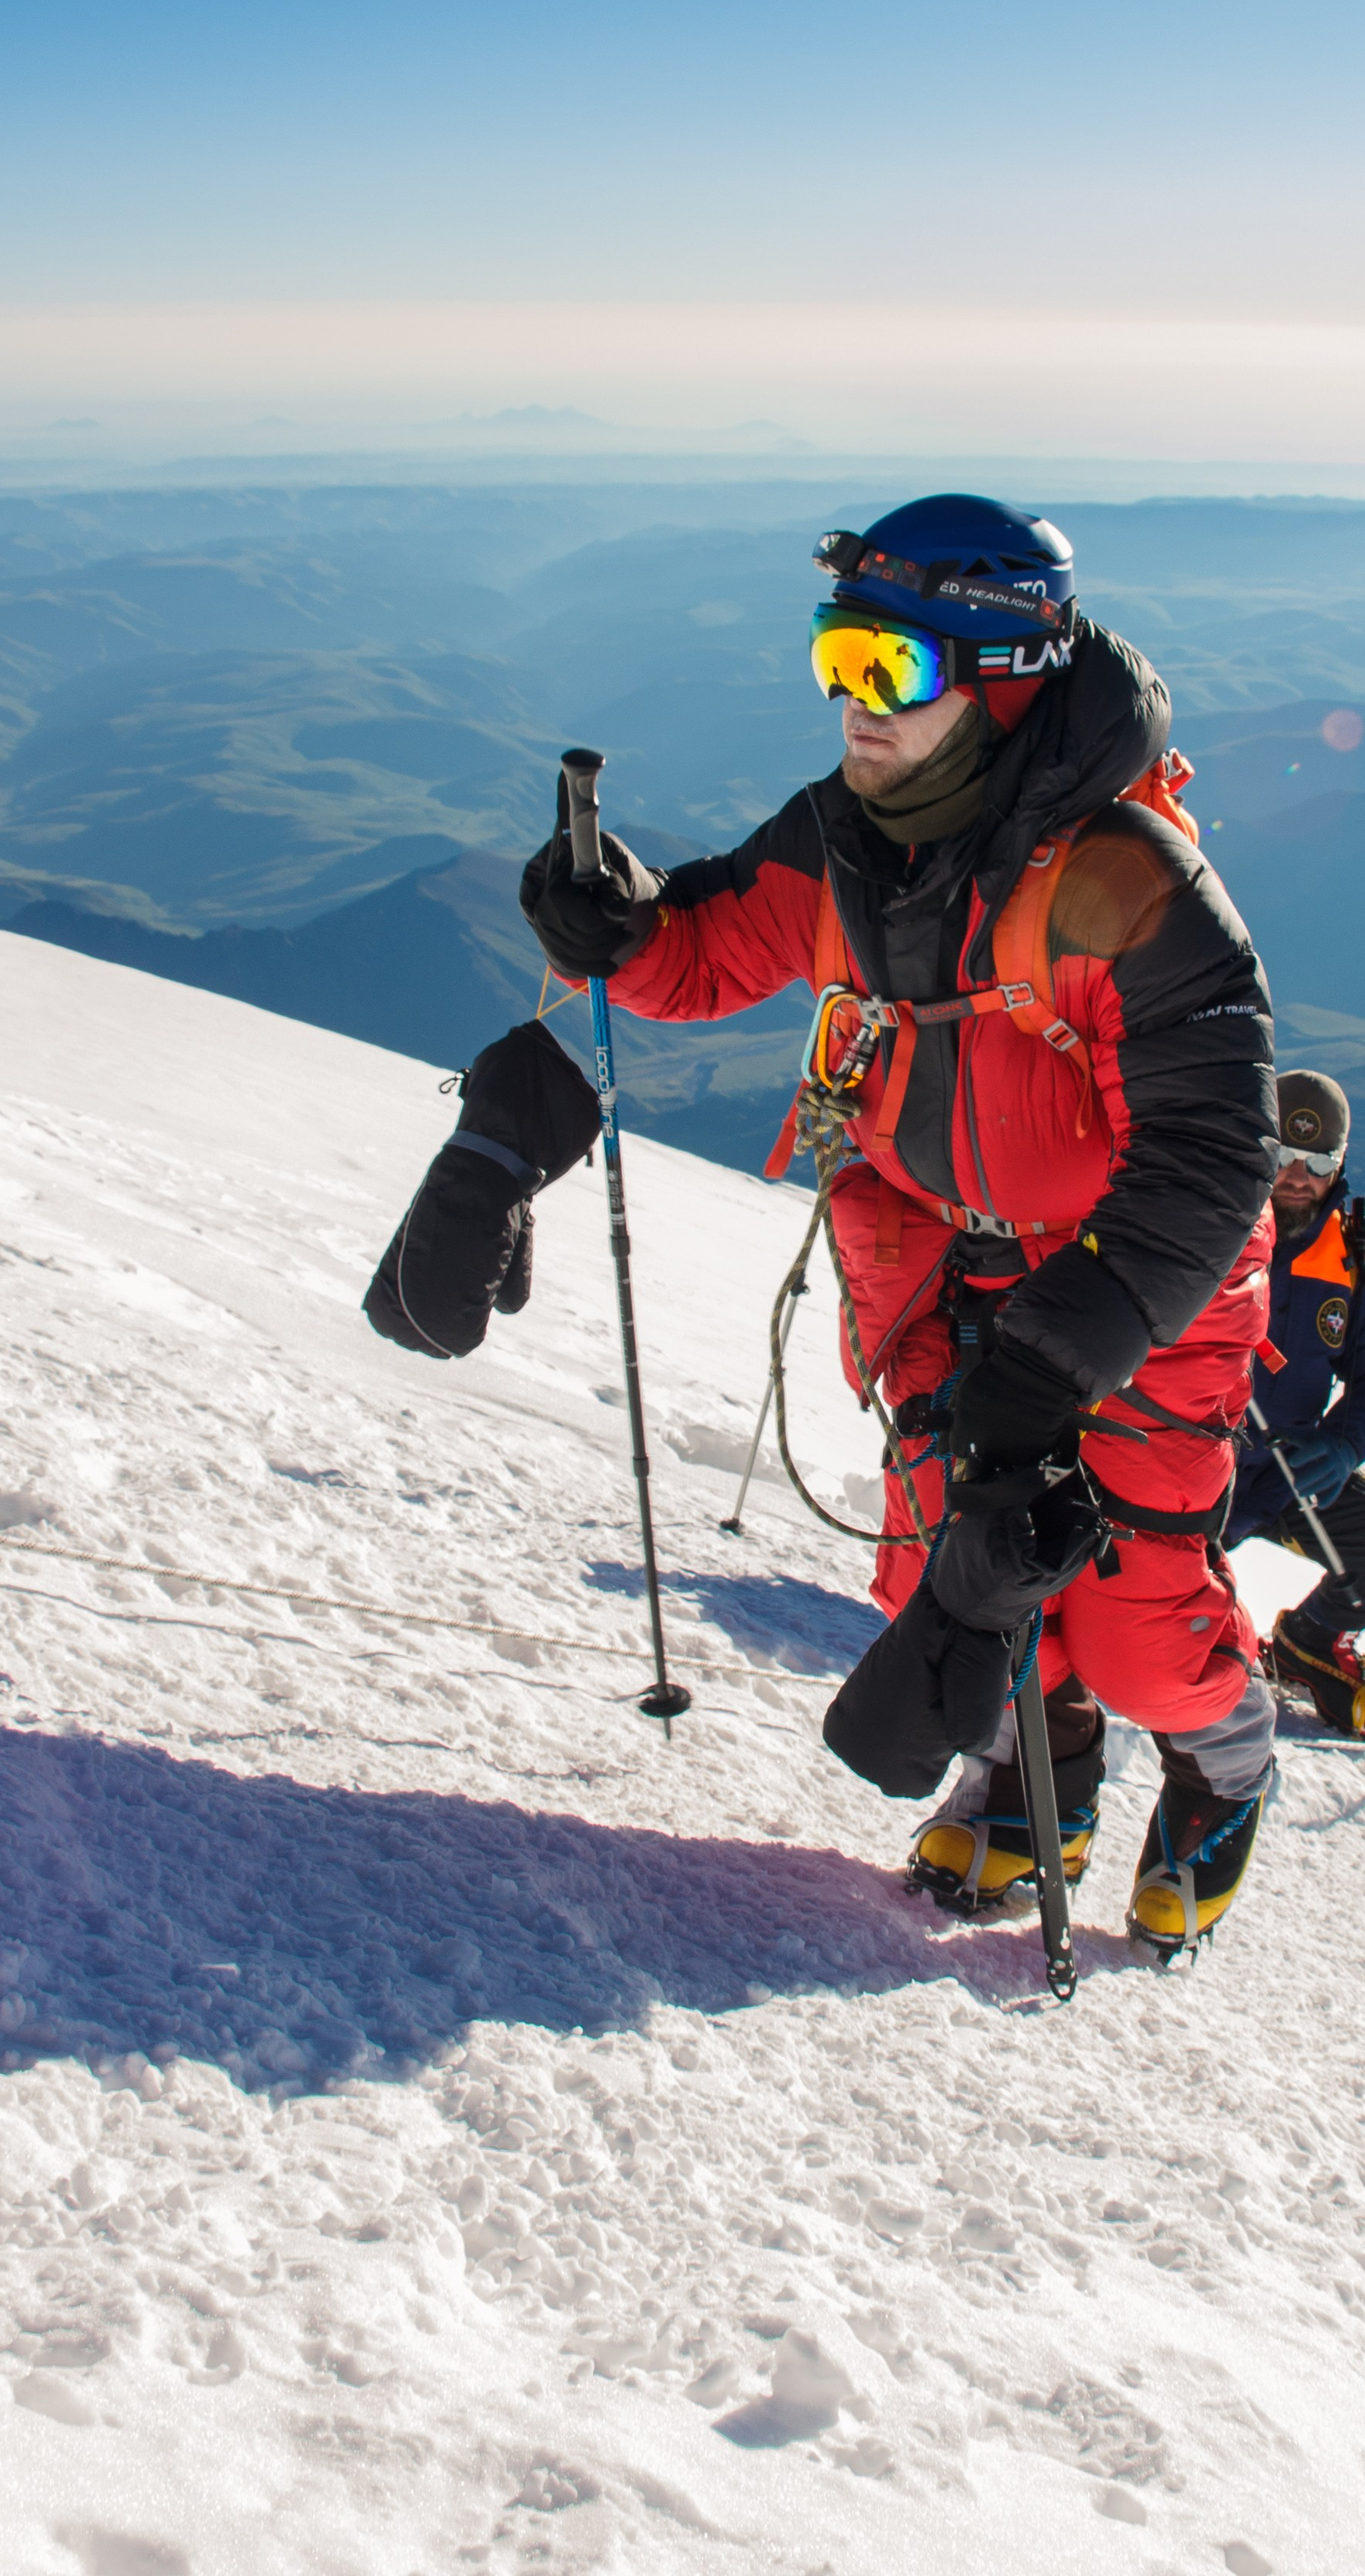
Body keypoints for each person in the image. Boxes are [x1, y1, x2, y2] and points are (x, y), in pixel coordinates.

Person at [520, 495, 1283, 1952]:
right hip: (936, 1263)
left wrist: (1067, 1345)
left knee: (1134, 1620)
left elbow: (1214, 1151)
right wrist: (612, 922)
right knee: (936, 1561)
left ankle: (1226, 1757)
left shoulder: (1123, 880)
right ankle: (1030, 1765)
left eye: (893, 671)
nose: (850, 705)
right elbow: (704, 947)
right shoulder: (848, 837)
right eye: (838, 658)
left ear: (999, 681)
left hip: (1140, 1293)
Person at [1224, 1069, 1365, 1736]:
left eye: (1318, 1162)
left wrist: (1343, 1444)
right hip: (1188, 1463)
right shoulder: (1211, 1215)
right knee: (1162, 1614)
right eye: (1285, 1154)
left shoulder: (1349, 1249)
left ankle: (1307, 1642)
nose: (1298, 1175)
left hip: (1287, 1469)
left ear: (1340, 1163)